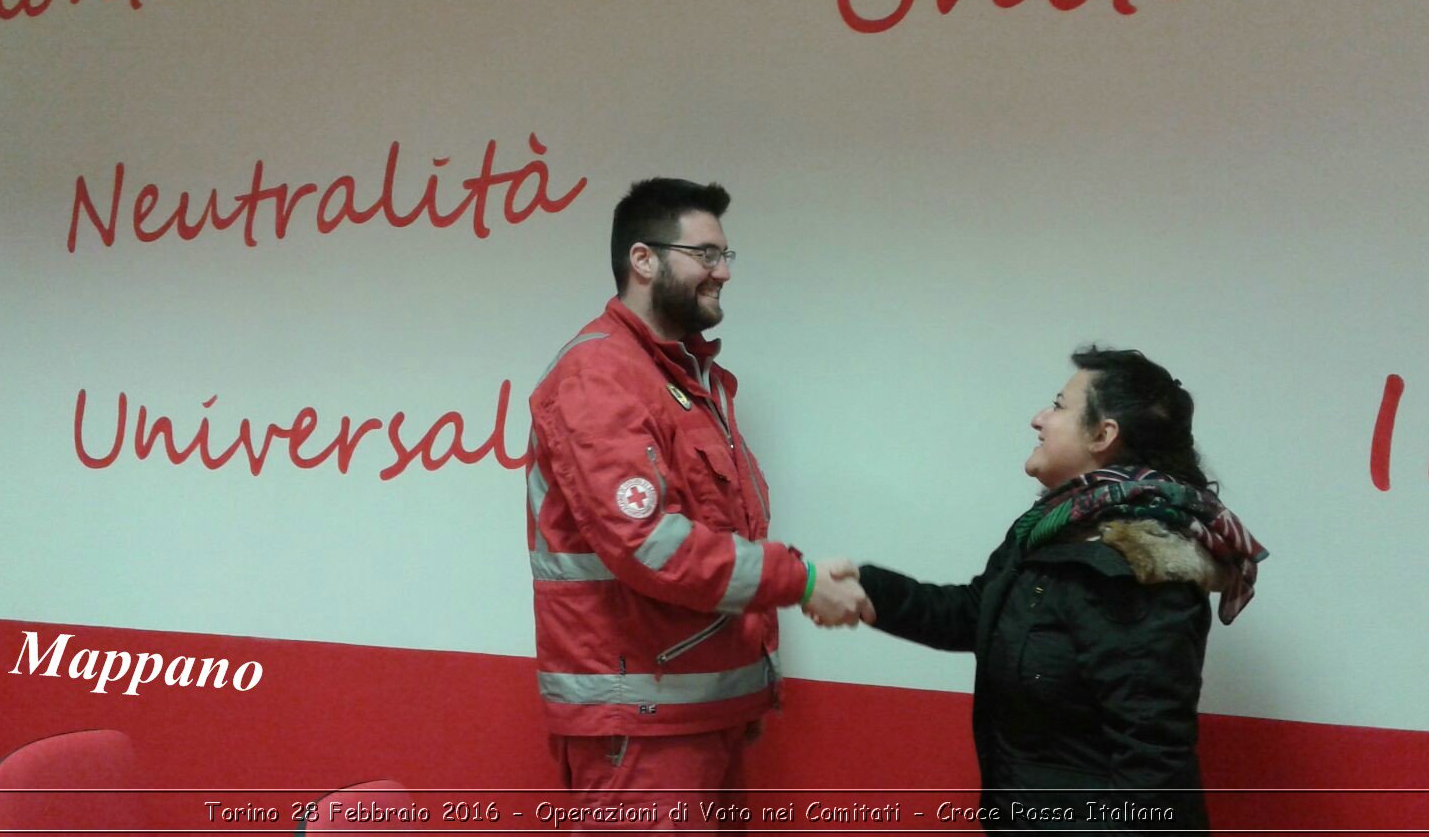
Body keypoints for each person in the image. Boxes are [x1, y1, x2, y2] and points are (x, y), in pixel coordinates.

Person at [525, 177, 871, 827]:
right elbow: (648, 545)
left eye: (725, 256)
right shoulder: (599, 378)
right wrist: (799, 582)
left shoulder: (685, 382)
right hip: (642, 730)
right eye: (706, 255)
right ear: (643, 259)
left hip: (698, 715)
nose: (723, 273)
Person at [830, 347, 1267, 834]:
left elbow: (1151, 763)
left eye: (1058, 406)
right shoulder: (1057, 523)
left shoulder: (1141, 560)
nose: (1039, 419)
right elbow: (978, 614)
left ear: (1104, 435)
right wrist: (864, 589)